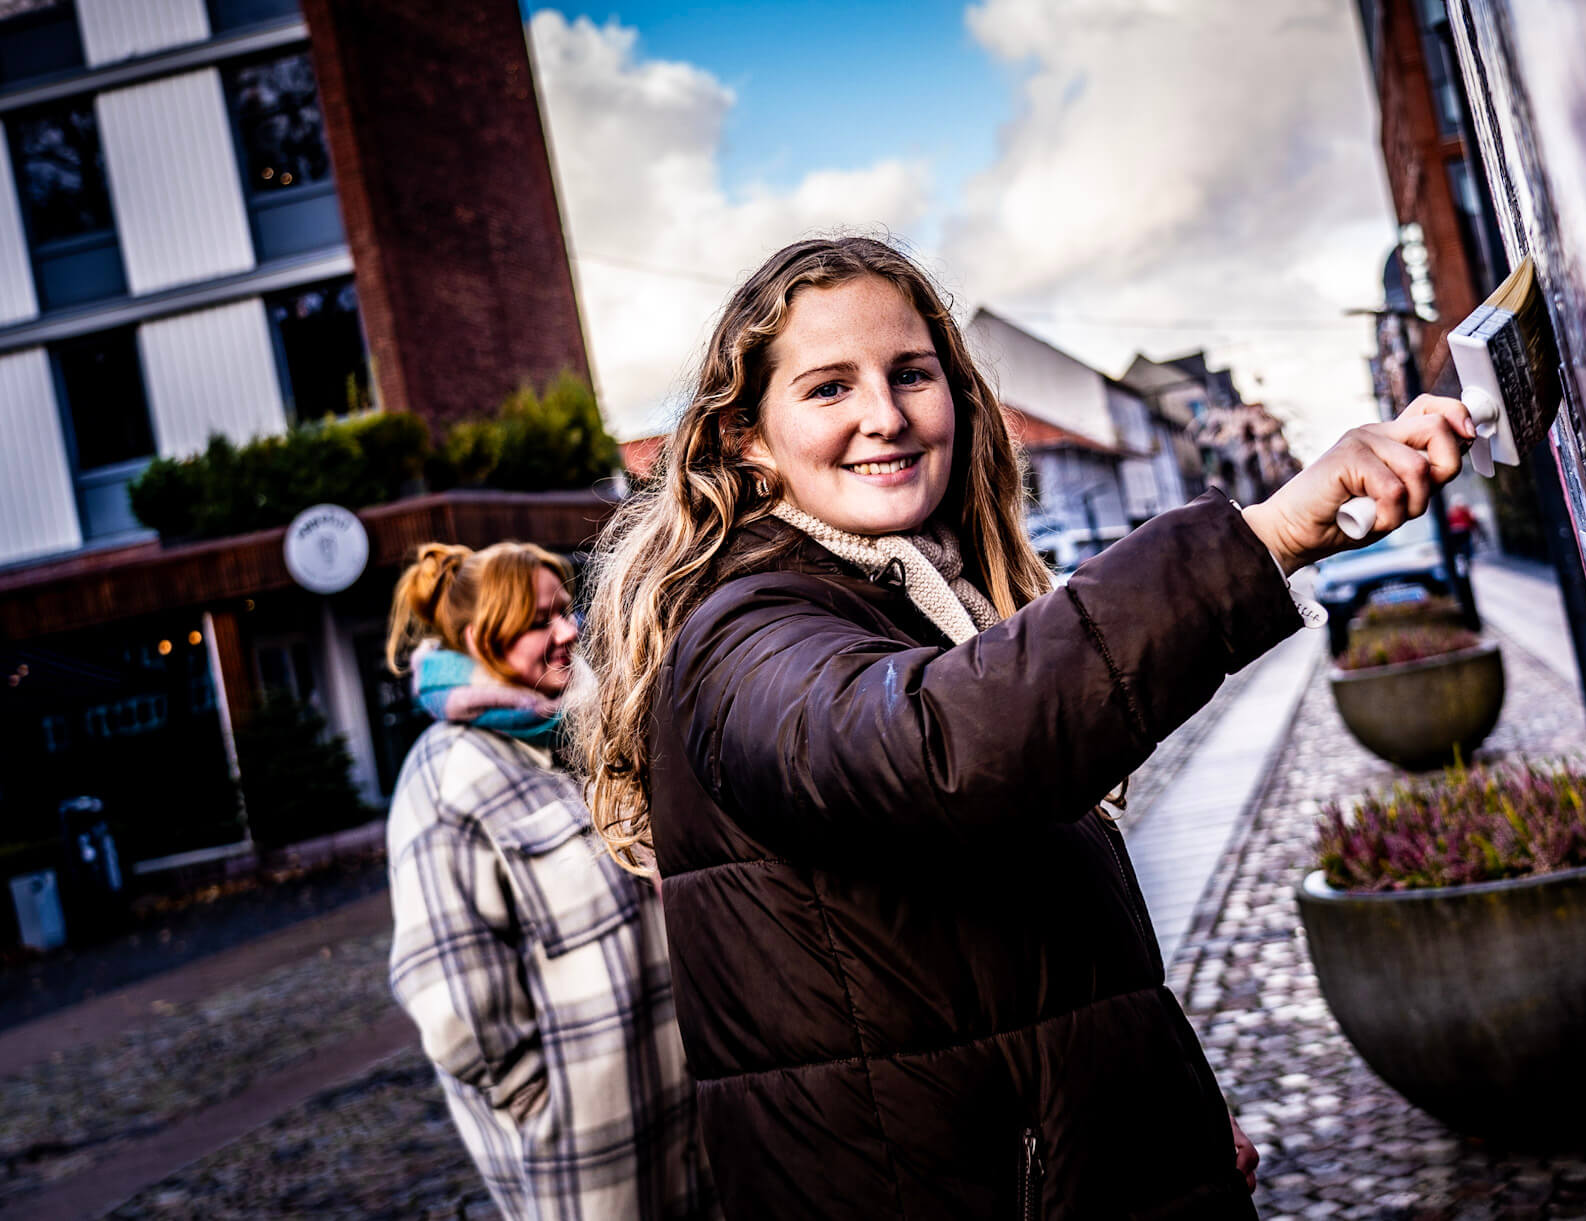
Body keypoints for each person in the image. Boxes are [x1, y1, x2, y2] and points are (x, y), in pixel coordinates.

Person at [572, 237, 1473, 1219]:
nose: (884, 415)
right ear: (747, 438)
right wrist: (1267, 534)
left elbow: (1029, 966)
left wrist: (1163, 1111)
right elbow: (945, 747)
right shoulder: (744, 633)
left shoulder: (930, 602)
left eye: (909, 374)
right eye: (829, 388)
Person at [383, 541, 712, 1220]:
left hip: (694, 1117)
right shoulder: (447, 774)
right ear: (482, 639)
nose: (568, 630)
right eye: (541, 620)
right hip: (589, 1155)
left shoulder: (589, 732)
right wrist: (546, 1107)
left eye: (566, 609)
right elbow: (450, 995)